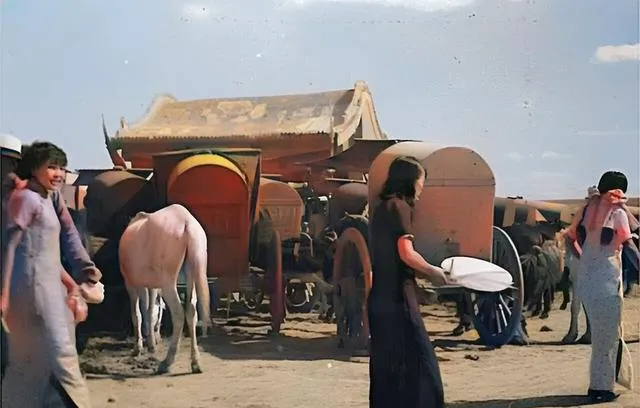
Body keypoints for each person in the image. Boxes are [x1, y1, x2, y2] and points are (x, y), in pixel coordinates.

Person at [0, 141, 98, 408]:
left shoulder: (47, 197)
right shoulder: (23, 198)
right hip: (24, 289)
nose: (7, 172)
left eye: (10, 164)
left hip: (35, 287)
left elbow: (61, 239)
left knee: (50, 358)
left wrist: (81, 276)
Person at [367, 156, 453, 408]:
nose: (421, 188)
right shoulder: (401, 208)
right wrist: (433, 272)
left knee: (387, 371)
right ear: (410, 181)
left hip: (379, 299)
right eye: (420, 182)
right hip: (399, 300)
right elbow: (406, 253)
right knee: (423, 366)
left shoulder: (382, 208)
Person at [565, 171, 640, 403]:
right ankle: (601, 388)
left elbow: (569, 238)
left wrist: (586, 257)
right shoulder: (617, 212)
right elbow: (629, 246)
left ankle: (600, 384)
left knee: (601, 336)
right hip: (607, 280)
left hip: (586, 280)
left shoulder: (587, 209)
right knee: (607, 338)